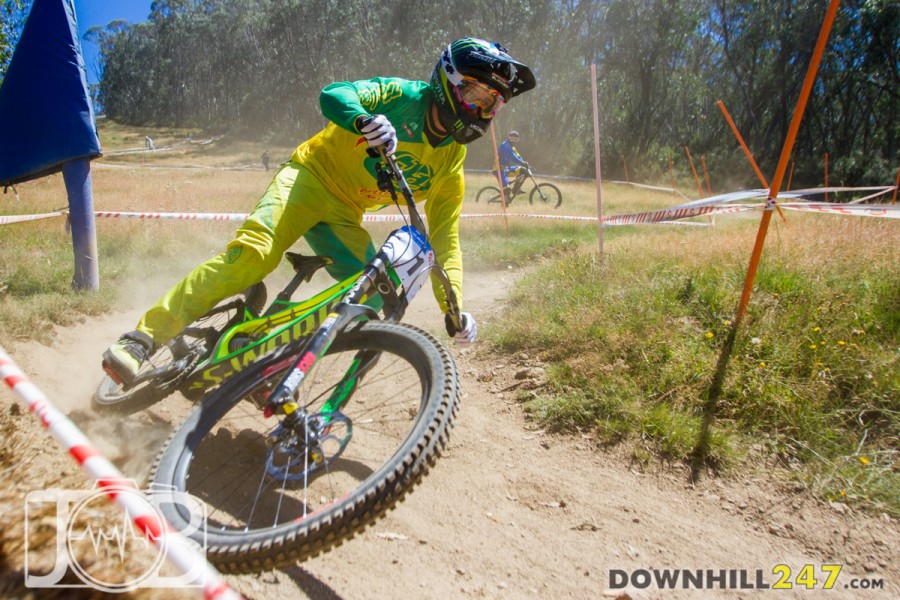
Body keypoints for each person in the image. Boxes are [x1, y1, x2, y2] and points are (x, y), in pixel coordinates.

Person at [102, 37, 536, 385]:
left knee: (371, 294)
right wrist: (362, 119)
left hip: (344, 215)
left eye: (492, 104)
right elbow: (335, 94)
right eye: (478, 95)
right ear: (448, 80)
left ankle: (260, 361)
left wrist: (453, 307)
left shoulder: (451, 165)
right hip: (308, 179)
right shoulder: (404, 95)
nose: (482, 111)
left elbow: (446, 241)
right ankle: (142, 337)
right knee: (254, 256)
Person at [497, 130, 528, 198]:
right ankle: (505, 203)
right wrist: (521, 162)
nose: (513, 140)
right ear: (508, 137)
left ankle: (516, 188)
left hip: (506, 169)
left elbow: (518, 156)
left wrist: (524, 164)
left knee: (522, 171)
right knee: (507, 190)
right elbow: (511, 156)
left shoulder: (512, 147)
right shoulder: (505, 144)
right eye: (511, 139)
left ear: (518, 140)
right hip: (499, 169)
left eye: (515, 139)